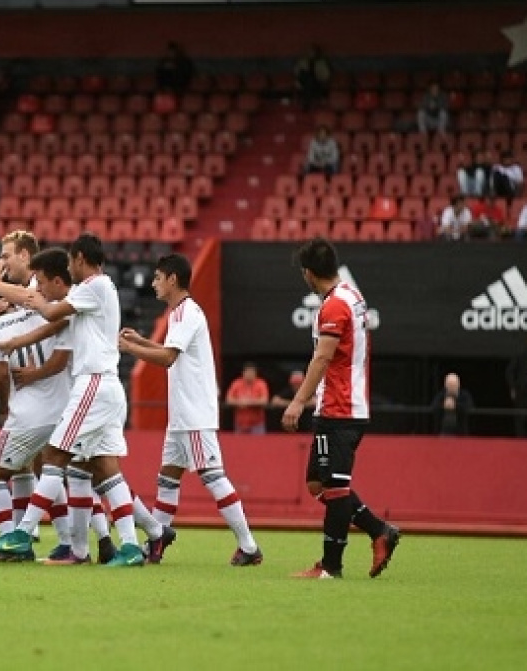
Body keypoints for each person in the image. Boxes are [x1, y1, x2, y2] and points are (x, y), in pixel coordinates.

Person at [0, 233, 147, 567]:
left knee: (54, 455)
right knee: (105, 469)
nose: (69, 268)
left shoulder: (91, 287)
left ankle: (22, 534)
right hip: (107, 386)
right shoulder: (99, 290)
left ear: (80, 258)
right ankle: (130, 546)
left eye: (71, 261)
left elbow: (49, 311)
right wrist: (18, 341)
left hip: (92, 384)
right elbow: (54, 324)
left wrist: (21, 295)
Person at [119, 253, 262, 566]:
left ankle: (249, 546)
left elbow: (168, 359)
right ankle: (156, 542)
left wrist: (131, 348)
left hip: (194, 414)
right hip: (182, 415)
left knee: (213, 477)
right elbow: (171, 352)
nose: (154, 284)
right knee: (167, 479)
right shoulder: (180, 313)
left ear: (172, 279)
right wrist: (142, 341)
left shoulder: (186, 312)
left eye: (158, 278)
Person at [281, 237, 400, 579]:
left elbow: (322, 357)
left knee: (334, 488)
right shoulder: (352, 296)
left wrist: (298, 401)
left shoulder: (333, 307)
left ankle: (331, 567)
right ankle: (379, 530)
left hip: (339, 409)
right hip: (342, 406)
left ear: (309, 273)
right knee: (317, 484)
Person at [0, 246, 79, 564]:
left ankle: (9, 540)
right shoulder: (51, 313)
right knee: (52, 471)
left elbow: (0, 375)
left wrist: (5, 407)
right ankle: (67, 542)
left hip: (27, 414)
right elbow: (61, 358)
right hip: (63, 409)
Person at [225, 362, 269, 434]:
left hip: (257, 423)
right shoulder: (236, 383)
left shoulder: (261, 383)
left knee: (258, 441)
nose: (249, 375)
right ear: (243, 373)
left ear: (256, 373)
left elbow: (264, 401)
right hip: (240, 423)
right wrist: (240, 402)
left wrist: (248, 402)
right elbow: (229, 400)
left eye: (251, 373)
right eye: (247, 372)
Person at [506, 341, 527, 438]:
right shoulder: (520, 356)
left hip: (521, 391)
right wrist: (513, 387)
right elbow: (509, 372)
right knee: (520, 418)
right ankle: (520, 441)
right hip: (521, 392)